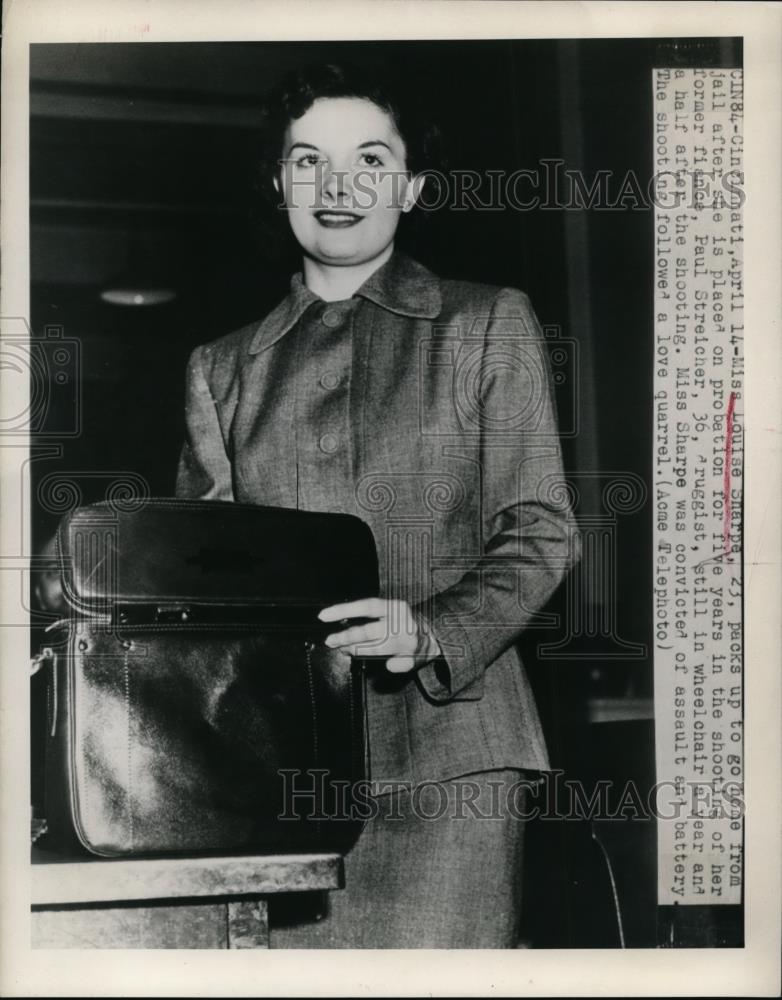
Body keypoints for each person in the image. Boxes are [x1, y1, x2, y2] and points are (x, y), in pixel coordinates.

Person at [175, 62, 580, 948]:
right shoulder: (220, 369)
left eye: (369, 159)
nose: (339, 186)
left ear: (411, 185)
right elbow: (204, 594)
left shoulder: (486, 324)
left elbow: (541, 531)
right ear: (280, 184)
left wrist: (431, 630)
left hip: (453, 763)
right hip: (274, 782)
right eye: (309, 161)